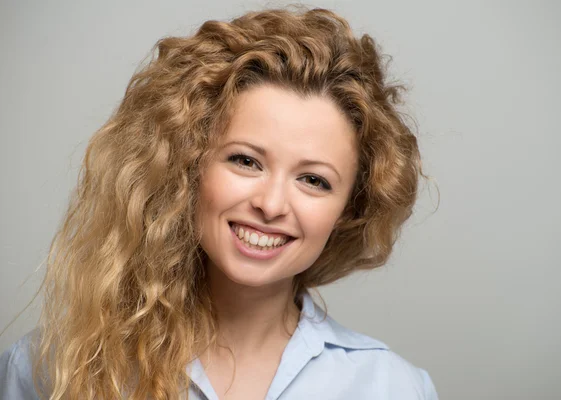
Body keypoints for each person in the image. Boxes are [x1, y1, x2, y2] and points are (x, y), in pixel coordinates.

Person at [0, 6, 438, 400]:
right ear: (189, 166)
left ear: (348, 208)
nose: (270, 204)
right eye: (246, 161)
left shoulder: (390, 387)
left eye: (313, 180)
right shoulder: (48, 369)